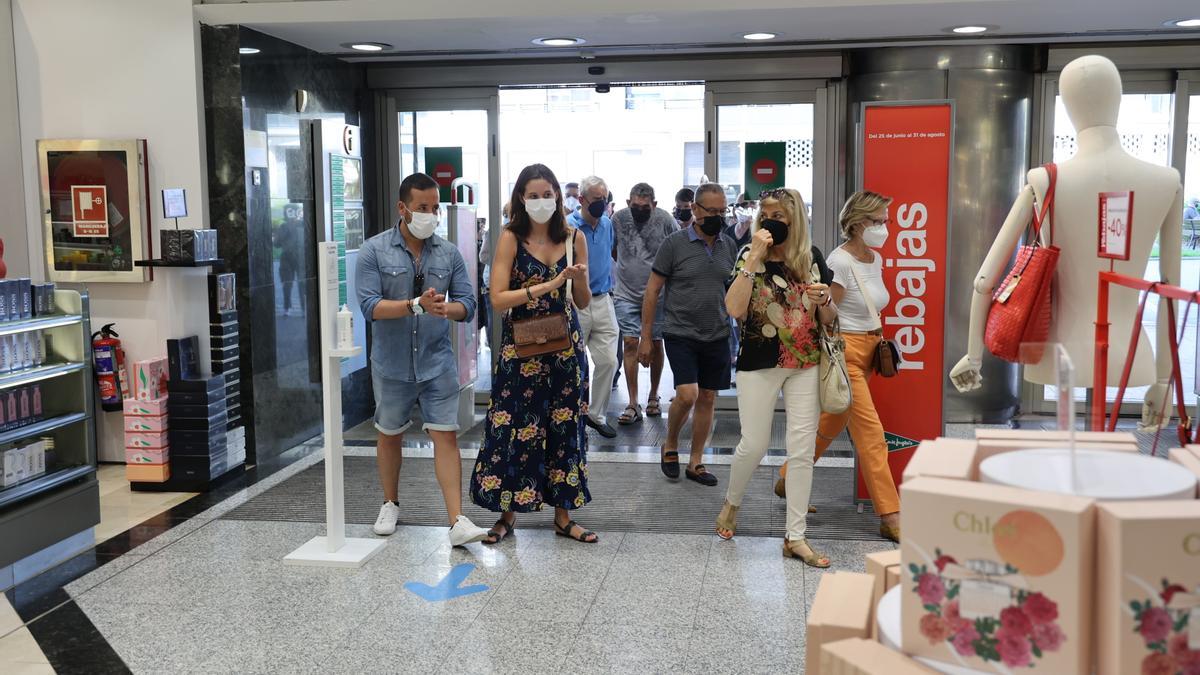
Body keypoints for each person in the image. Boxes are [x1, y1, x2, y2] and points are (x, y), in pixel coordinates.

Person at [355, 172, 490, 547]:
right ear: (403, 208)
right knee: (390, 435)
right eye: (422, 208)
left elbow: (469, 303)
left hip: (437, 362)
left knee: (445, 435)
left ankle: (457, 519)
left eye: (434, 208)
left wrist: (451, 309)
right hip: (392, 363)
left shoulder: (448, 253)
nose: (430, 214)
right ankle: (390, 502)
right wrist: (415, 305)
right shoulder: (374, 251)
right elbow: (369, 307)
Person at [471, 163, 598, 545]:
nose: (541, 201)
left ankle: (563, 516)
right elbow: (496, 298)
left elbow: (583, 300)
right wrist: (546, 286)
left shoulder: (575, 236)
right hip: (522, 347)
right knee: (514, 428)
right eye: (533, 195)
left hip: (565, 347)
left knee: (565, 428)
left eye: (547, 194)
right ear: (521, 199)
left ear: (558, 196)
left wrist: (578, 280)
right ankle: (507, 515)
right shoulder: (511, 237)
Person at [716, 187, 837, 567]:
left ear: (796, 219)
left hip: (806, 361)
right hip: (759, 361)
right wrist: (754, 256)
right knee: (754, 444)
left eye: (780, 216)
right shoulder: (748, 255)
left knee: (802, 451)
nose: (771, 221)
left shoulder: (812, 259)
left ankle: (795, 537)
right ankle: (731, 503)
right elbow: (734, 309)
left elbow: (830, 320)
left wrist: (826, 302)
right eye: (765, 214)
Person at [775, 191, 902, 542]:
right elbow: (826, 313)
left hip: (872, 349)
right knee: (872, 435)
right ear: (858, 222)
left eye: (886, 221)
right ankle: (890, 516)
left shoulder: (873, 259)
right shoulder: (839, 262)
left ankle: (788, 477)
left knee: (832, 421)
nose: (884, 227)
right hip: (846, 351)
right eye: (879, 221)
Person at [640, 183, 737, 487]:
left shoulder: (728, 245)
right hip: (680, 330)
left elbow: (732, 289)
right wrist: (646, 336)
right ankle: (670, 444)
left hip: (717, 332)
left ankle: (696, 461)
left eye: (723, 211)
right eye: (713, 211)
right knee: (688, 394)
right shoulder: (674, 244)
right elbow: (653, 291)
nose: (719, 217)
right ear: (695, 210)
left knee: (708, 397)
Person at [612, 182, 674, 424]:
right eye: (635, 206)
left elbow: (675, 250)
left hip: (657, 294)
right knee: (630, 343)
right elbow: (613, 250)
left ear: (654, 205)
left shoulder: (666, 220)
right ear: (628, 203)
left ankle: (654, 395)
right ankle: (632, 401)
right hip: (626, 293)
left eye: (645, 207)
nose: (639, 210)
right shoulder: (618, 219)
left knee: (656, 343)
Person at [567, 176, 620, 439]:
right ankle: (572, 416)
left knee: (609, 360)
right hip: (576, 302)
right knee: (574, 364)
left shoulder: (608, 224)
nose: (602, 204)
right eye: (597, 199)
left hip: (603, 298)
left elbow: (608, 254)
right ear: (582, 200)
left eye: (605, 199)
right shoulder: (568, 227)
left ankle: (596, 415)